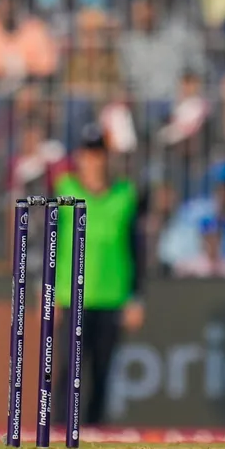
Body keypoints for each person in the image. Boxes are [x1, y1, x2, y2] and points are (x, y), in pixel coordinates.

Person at [52, 124, 147, 426]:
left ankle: (94, 433)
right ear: (79, 156)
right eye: (89, 153)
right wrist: (48, 291)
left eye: (99, 154)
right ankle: (60, 432)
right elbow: (48, 242)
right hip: (70, 296)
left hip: (112, 296)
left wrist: (135, 297)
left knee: (102, 373)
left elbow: (136, 248)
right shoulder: (64, 188)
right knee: (68, 370)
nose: (94, 161)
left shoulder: (125, 194)